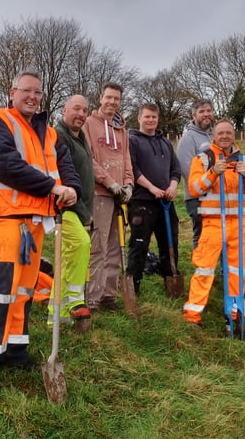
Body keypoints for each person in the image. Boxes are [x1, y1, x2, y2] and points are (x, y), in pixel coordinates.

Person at [0, 71, 80, 391]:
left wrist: (71, 189)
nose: (32, 97)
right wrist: (52, 188)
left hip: (34, 222)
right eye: (26, 91)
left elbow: (66, 167)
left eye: (38, 92)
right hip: (5, 218)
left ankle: (16, 350)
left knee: (24, 290)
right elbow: (4, 164)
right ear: (12, 92)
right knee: (2, 290)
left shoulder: (49, 133)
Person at [182, 119, 245, 328]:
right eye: (220, 133)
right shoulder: (202, 160)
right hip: (213, 225)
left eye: (228, 132)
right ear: (214, 136)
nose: (225, 136)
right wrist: (213, 173)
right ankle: (192, 316)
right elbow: (194, 189)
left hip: (239, 224)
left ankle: (235, 315)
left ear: (233, 135)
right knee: (204, 270)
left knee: (237, 271)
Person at [82, 82, 134, 312]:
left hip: (119, 197)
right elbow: (88, 159)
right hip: (99, 194)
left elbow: (127, 161)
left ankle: (108, 296)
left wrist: (128, 184)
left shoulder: (122, 131)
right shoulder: (88, 125)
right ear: (100, 98)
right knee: (98, 247)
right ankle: (92, 298)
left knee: (115, 247)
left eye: (117, 99)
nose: (112, 102)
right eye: (109, 97)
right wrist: (109, 182)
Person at [126, 103, 181, 295]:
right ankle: (133, 288)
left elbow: (175, 168)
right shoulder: (132, 140)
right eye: (147, 117)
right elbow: (132, 169)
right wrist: (151, 188)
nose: (151, 120)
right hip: (142, 203)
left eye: (154, 117)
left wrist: (172, 186)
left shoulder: (165, 142)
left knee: (170, 243)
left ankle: (172, 283)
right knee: (139, 246)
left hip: (165, 203)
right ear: (139, 118)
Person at [53, 94, 95, 328]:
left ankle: (56, 314)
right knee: (80, 245)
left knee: (66, 259)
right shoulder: (59, 136)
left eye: (85, 110)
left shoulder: (81, 137)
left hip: (82, 209)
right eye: (76, 109)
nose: (80, 114)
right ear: (64, 110)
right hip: (65, 207)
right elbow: (64, 176)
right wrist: (82, 211)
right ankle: (74, 302)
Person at [176, 98, 214, 248]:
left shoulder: (216, 136)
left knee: (217, 234)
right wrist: (207, 185)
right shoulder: (188, 139)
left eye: (209, 111)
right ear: (194, 116)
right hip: (196, 197)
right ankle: (201, 269)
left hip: (217, 195)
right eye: (202, 112)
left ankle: (219, 269)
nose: (206, 114)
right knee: (202, 234)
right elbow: (187, 170)